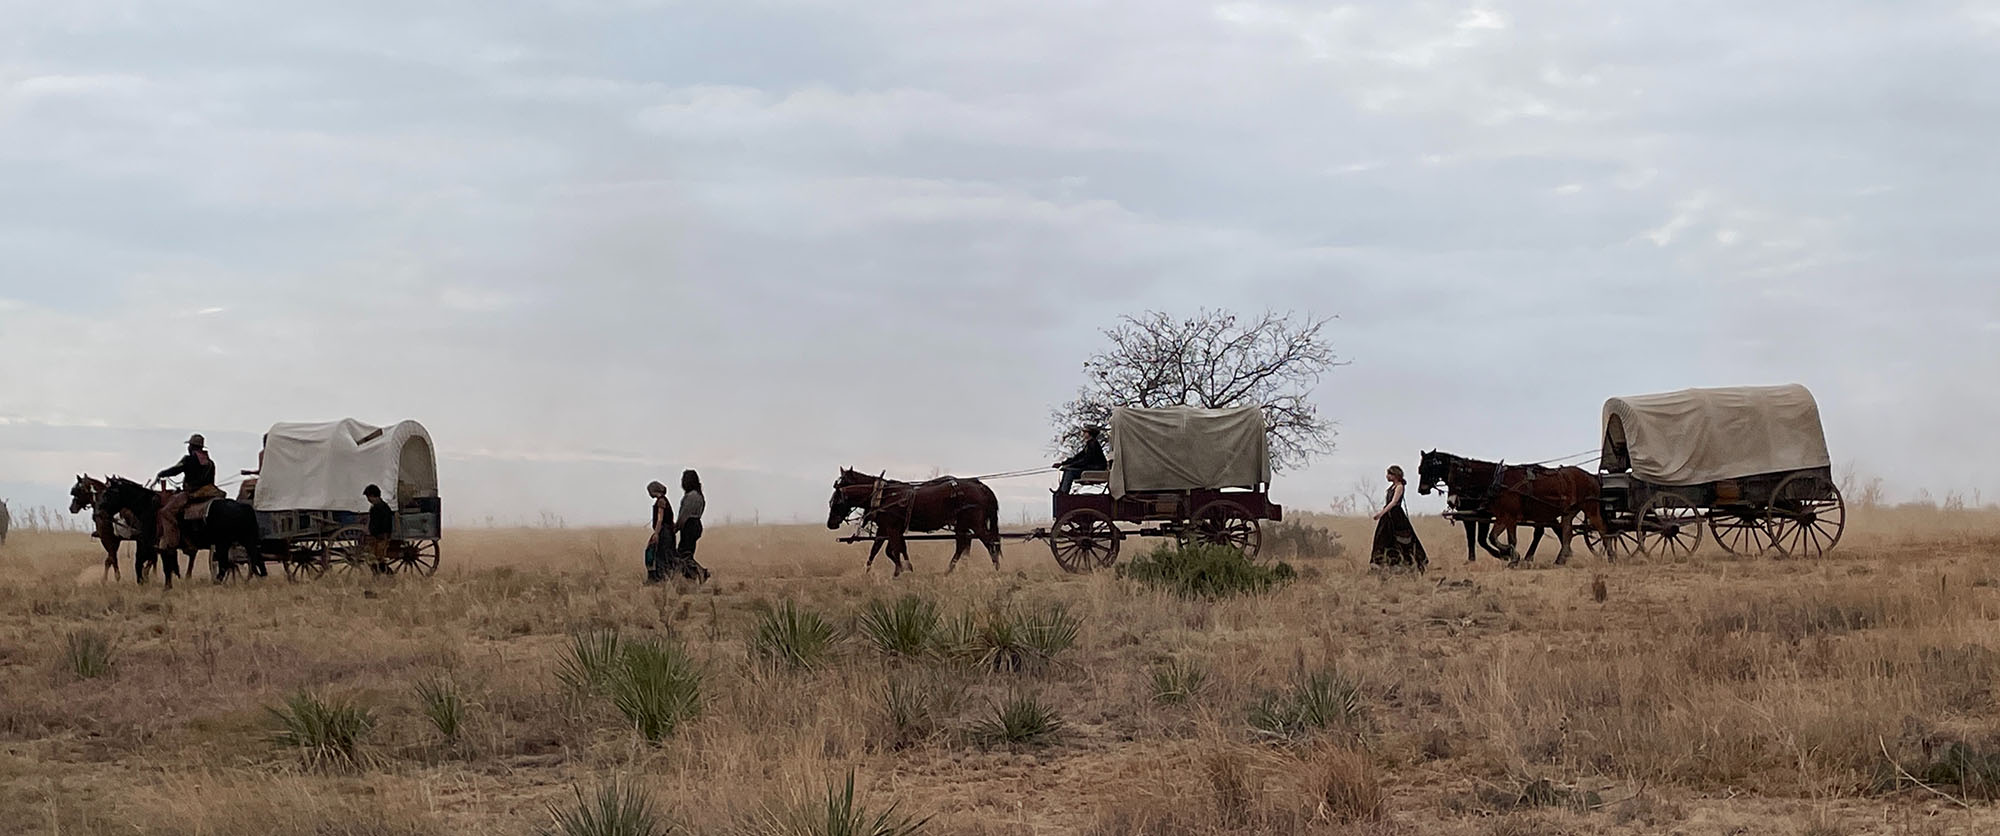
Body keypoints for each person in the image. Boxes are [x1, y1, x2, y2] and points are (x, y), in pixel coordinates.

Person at [157, 433, 223, 549]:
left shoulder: (189, 459)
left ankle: (172, 540)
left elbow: (176, 470)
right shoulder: (210, 463)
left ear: (191, 447)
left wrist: (162, 473)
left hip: (192, 493)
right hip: (209, 492)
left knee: (165, 512)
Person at [1370, 465, 1428, 572]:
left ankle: (1409, 561)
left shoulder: (1399, 487)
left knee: (1401, 539)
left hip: (1395, 516)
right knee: (1382, 538)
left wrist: (1381, 513)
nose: (1387, 476)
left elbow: (1394, 502)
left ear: (1395, 475)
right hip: (1388, 516)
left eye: (1389, 474)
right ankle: (1381, 562)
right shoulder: (1392, 487)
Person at [674, 469, 711, 582]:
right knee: (687, 553)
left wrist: (676, 528)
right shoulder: (700, 496)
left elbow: (684, 515)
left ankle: (700, 573)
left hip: (689, 526)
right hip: (696, 524)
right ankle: (691, 577)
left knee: (683, 555)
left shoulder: (690, 497)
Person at [1054, 425, 1110, 495]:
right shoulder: (1089, 444)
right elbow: (1077, 457)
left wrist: (1070, 465)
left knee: (1070, 472)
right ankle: (1060, 491)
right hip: (1091, 467)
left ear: (1090, 434)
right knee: (1067, 470)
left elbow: (1085, 460)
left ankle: (1064, 493)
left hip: (1095, 468)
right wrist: (1063, 464)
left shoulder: (1093, 445)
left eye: (1085, 432)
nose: (1083, 434)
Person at [644, 480, 675, 584]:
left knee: (660, 555)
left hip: (664, 532)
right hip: (668, 531)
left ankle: (659, 578)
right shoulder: (664, 500)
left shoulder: (661, 501)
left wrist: (656, 534)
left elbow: (660, 519)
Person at [363, 484, 395, 571]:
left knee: (377, 559)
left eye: (368, 497)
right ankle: (379, 576)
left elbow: (381, 524)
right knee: (376, 559)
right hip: (380, 536)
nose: (368, 500)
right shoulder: (382, 506)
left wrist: (372, 532)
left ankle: (388, 575)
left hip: (381, 536)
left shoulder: (379, 508)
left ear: (373, 496)